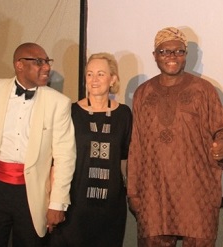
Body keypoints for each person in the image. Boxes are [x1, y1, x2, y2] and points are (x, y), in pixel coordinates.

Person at [127, 27, 223, 247]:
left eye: (178, 52)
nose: (172, 57)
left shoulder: (203, 90)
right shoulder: (143, 93)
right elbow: (136, 145)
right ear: (155, 56)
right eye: (165, 52)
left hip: (196, 191)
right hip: (153, 193)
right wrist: (133, 191)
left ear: (186, 54)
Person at [0, 42, 76, 247]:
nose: (47, 67)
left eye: (47, 62)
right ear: (19, 65)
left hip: (31, 194)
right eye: (39, 62)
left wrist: (57, 203)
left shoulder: (58, 103)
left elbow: (65, 157)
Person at [49, 53, 132, 247]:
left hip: (110, 207)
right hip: (75, 205)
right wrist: (53, 201)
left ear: (113, 79)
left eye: (101, 74)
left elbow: (124, 159)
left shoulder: (124, 114)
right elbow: (57, 160)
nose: (94, 80)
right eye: (89, 74)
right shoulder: (70, 112)